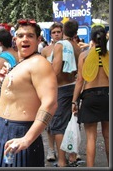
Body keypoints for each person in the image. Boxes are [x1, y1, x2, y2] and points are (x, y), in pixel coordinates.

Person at [0, 18, 58, 167]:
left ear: (38, 39)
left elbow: (50, 103)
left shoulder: (39, 63)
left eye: (30, 36)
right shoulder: (22, 63)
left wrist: (27, 139)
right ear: (15, 39)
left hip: (20, 135)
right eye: (21, 36)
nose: (25, 39)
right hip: (0, 134)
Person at [71, 25, 109, 167]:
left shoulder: (84, 55)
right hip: (107, 96)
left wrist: (74, 101)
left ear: (92, 39)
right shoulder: (109, 54)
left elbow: (80, 80)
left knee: (91, 138)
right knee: (107, 136)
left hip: (90, 97)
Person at [49, 19, 81, 167]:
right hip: (74, 88)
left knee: (59, 127)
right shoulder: (77, 47)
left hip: (61, 88)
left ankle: (62, 162)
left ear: (63, 31)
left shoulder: (60, 45)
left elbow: (55, 70)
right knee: (71, 124)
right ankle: (72, 157)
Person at [41, 22, 63, 162]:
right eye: (54, 32)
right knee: (50, 121)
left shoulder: (69, 48)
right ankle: (51, 149)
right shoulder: (46, 50)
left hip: (65, 88)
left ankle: (70, 151)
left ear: (62, 33)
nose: (56, 34)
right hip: (49, 89)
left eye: (58, 32)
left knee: (64, 122)